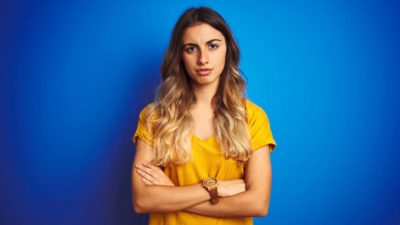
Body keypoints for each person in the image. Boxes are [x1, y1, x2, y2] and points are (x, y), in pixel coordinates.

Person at [131, 6, 277, 225]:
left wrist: (172, 193)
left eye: (213, 46)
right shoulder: (155, 118)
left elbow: (258, 203)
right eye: (191, 48)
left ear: (228, 49)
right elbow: (142, 200)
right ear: (179, 55)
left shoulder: (253, 117)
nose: (203, 59)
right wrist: (217, 187)